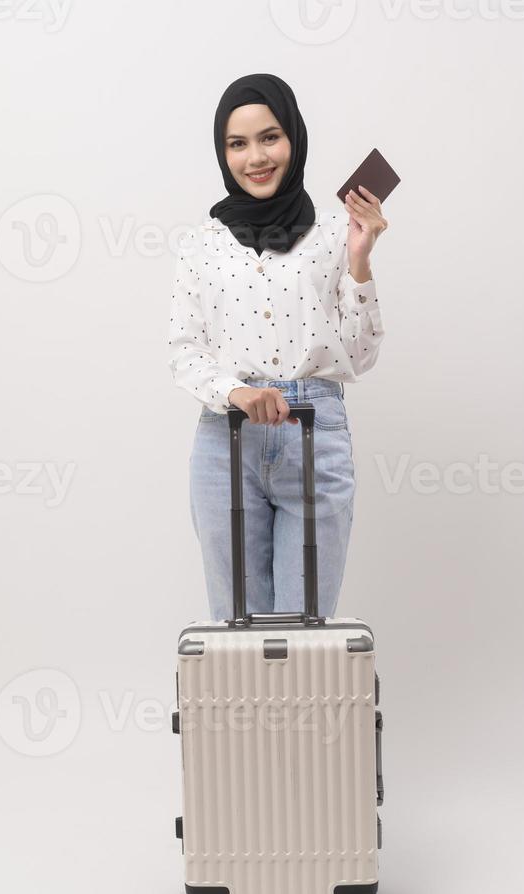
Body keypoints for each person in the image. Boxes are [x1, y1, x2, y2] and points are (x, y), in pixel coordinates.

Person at [167, 72, 389, 622]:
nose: (255, 157)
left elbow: (358, 358)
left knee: (304, 634)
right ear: (222, 153)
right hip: (226, 442)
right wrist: (236, 391)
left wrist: (361, 260)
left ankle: (305, 715)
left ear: (294, 137)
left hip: (314, 432)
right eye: (237, 144)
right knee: (235, 631)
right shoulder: (202, 245)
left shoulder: (337, 234)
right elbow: (184, 350)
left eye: (270, 137)